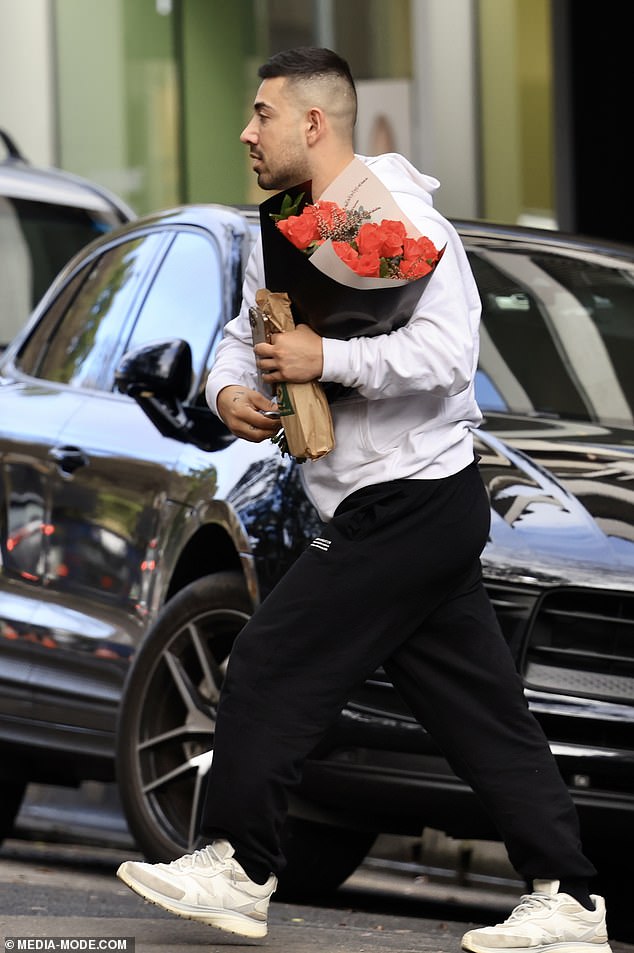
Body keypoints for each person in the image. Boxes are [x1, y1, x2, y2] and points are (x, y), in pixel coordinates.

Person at [116, 47, 612, 952]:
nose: (245, 131)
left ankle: (239, 866)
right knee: (481, 711)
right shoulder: (292, 223)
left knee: (271, 658)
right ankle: (569, 898)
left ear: (314, 123)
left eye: (262, 114)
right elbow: (246, 331)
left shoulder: (401, 219)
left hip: (410, 501)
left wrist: (327, 359)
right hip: (383, 508)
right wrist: (231, 392)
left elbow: (448, 357)